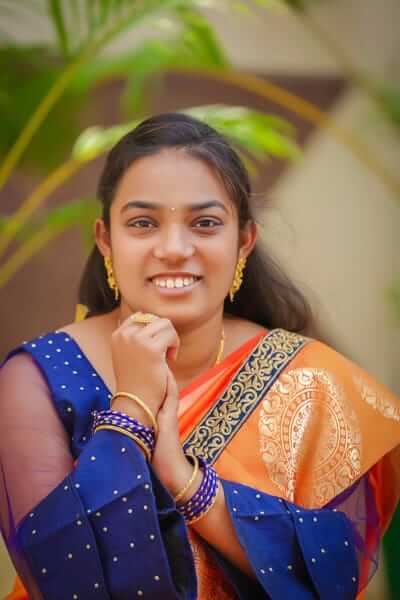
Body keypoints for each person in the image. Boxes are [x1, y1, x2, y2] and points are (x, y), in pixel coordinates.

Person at [1, 113, 399, 600]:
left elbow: (331, 569)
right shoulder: (36, 378)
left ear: (244, 241)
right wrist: (132, 408)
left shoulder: (308, 378)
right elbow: (65, 578)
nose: (174, 248)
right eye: (143, 223)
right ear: (106, 239)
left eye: (205, 223)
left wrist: (184, 478)